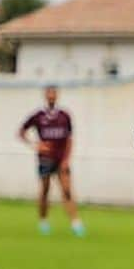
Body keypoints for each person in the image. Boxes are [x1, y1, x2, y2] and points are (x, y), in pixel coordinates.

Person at [18, 85, 86, 236]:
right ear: (45, 95)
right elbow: (21, 132)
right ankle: (43, 221)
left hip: (61, 159)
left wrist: (67, 159)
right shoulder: (38, 116)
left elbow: (69, 139)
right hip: (45, 159)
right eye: (49, 94)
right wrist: (36, 145)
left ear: (57, 96)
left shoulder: (64, 116)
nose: (51, 97)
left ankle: (76, 223)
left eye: (54, 94)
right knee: (45, 191)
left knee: (67, 190)